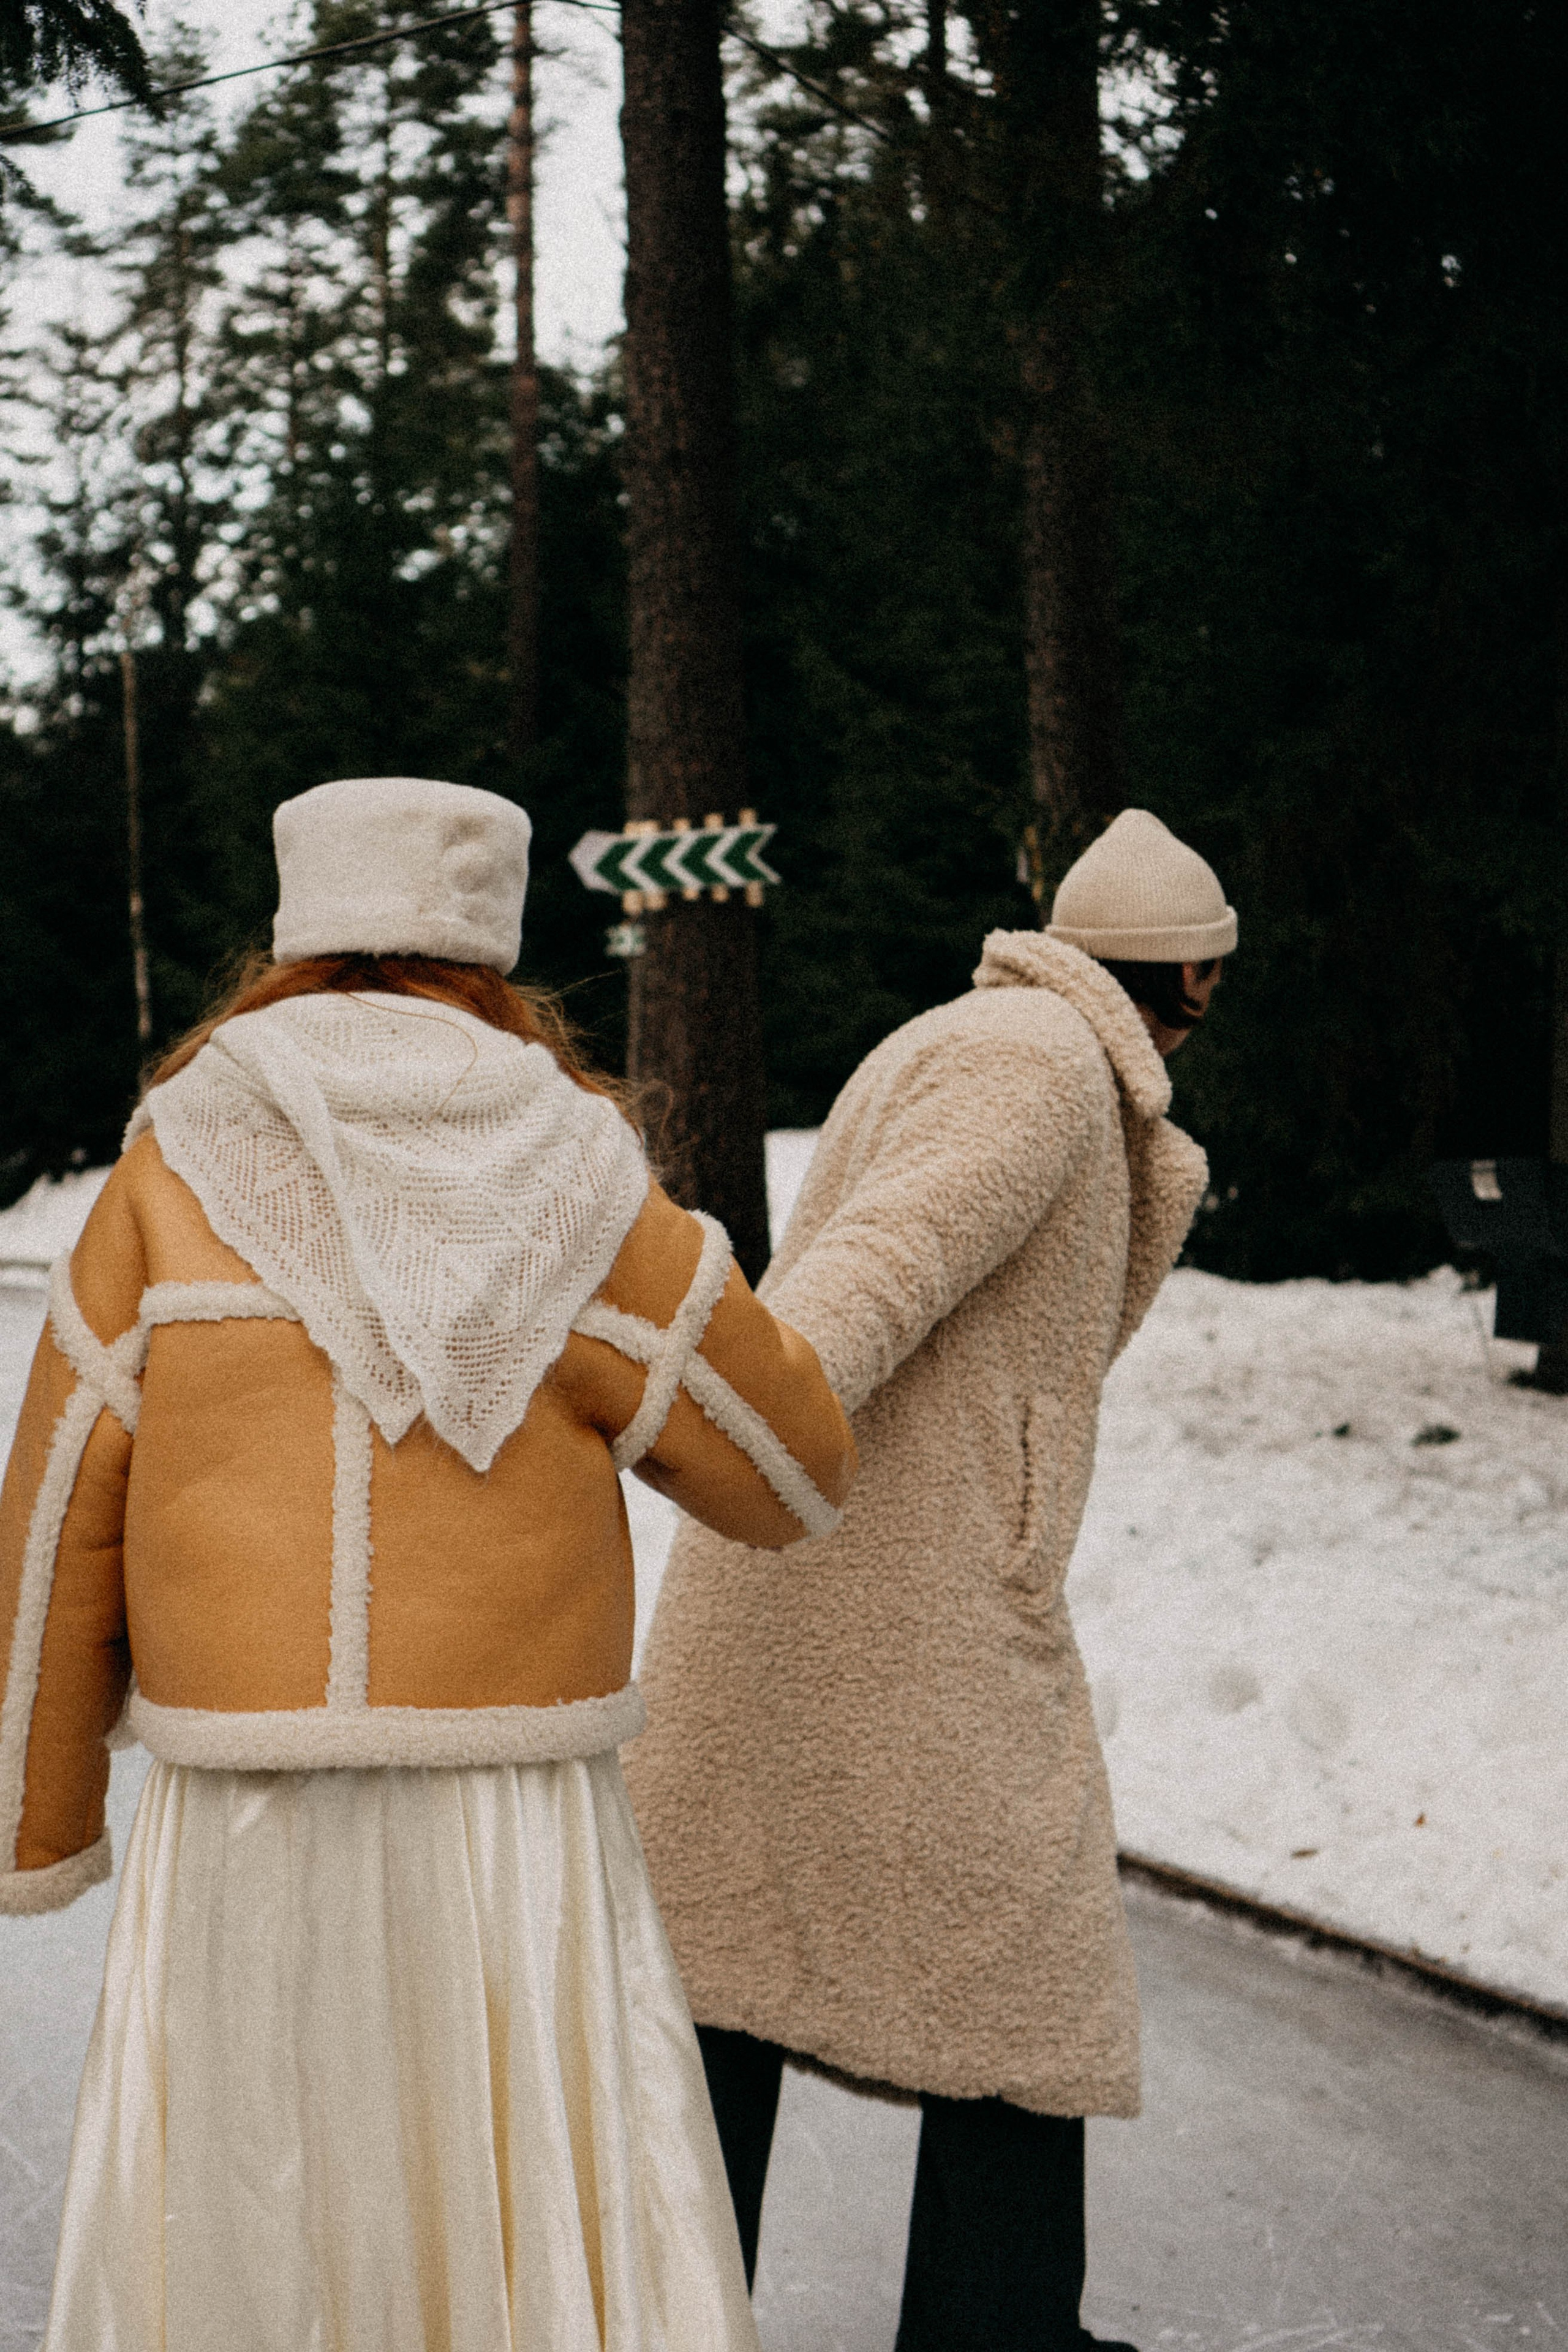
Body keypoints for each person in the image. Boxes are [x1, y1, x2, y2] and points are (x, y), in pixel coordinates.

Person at [0, 774, 857, 2352]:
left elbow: (59, 1504)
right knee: (508, 2184)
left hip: (244, 1809)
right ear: (490, 936)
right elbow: (790, 1473)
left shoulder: (169, 1166)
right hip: (507, 1819)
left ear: (293, 928)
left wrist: (34, 1815)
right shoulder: (579, 1174)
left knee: (259, 2192)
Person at [624, 807, 1235, 2351]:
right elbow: (878, 1265)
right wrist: (740, 1422)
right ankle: (994, 2331)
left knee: (730, 1969)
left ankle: (663, 2314)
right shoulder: (1037, 1064)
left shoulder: (976, 1037)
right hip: (899, 1597)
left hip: (841, 1574)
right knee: (1025, 1977)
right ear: (1189, 976)